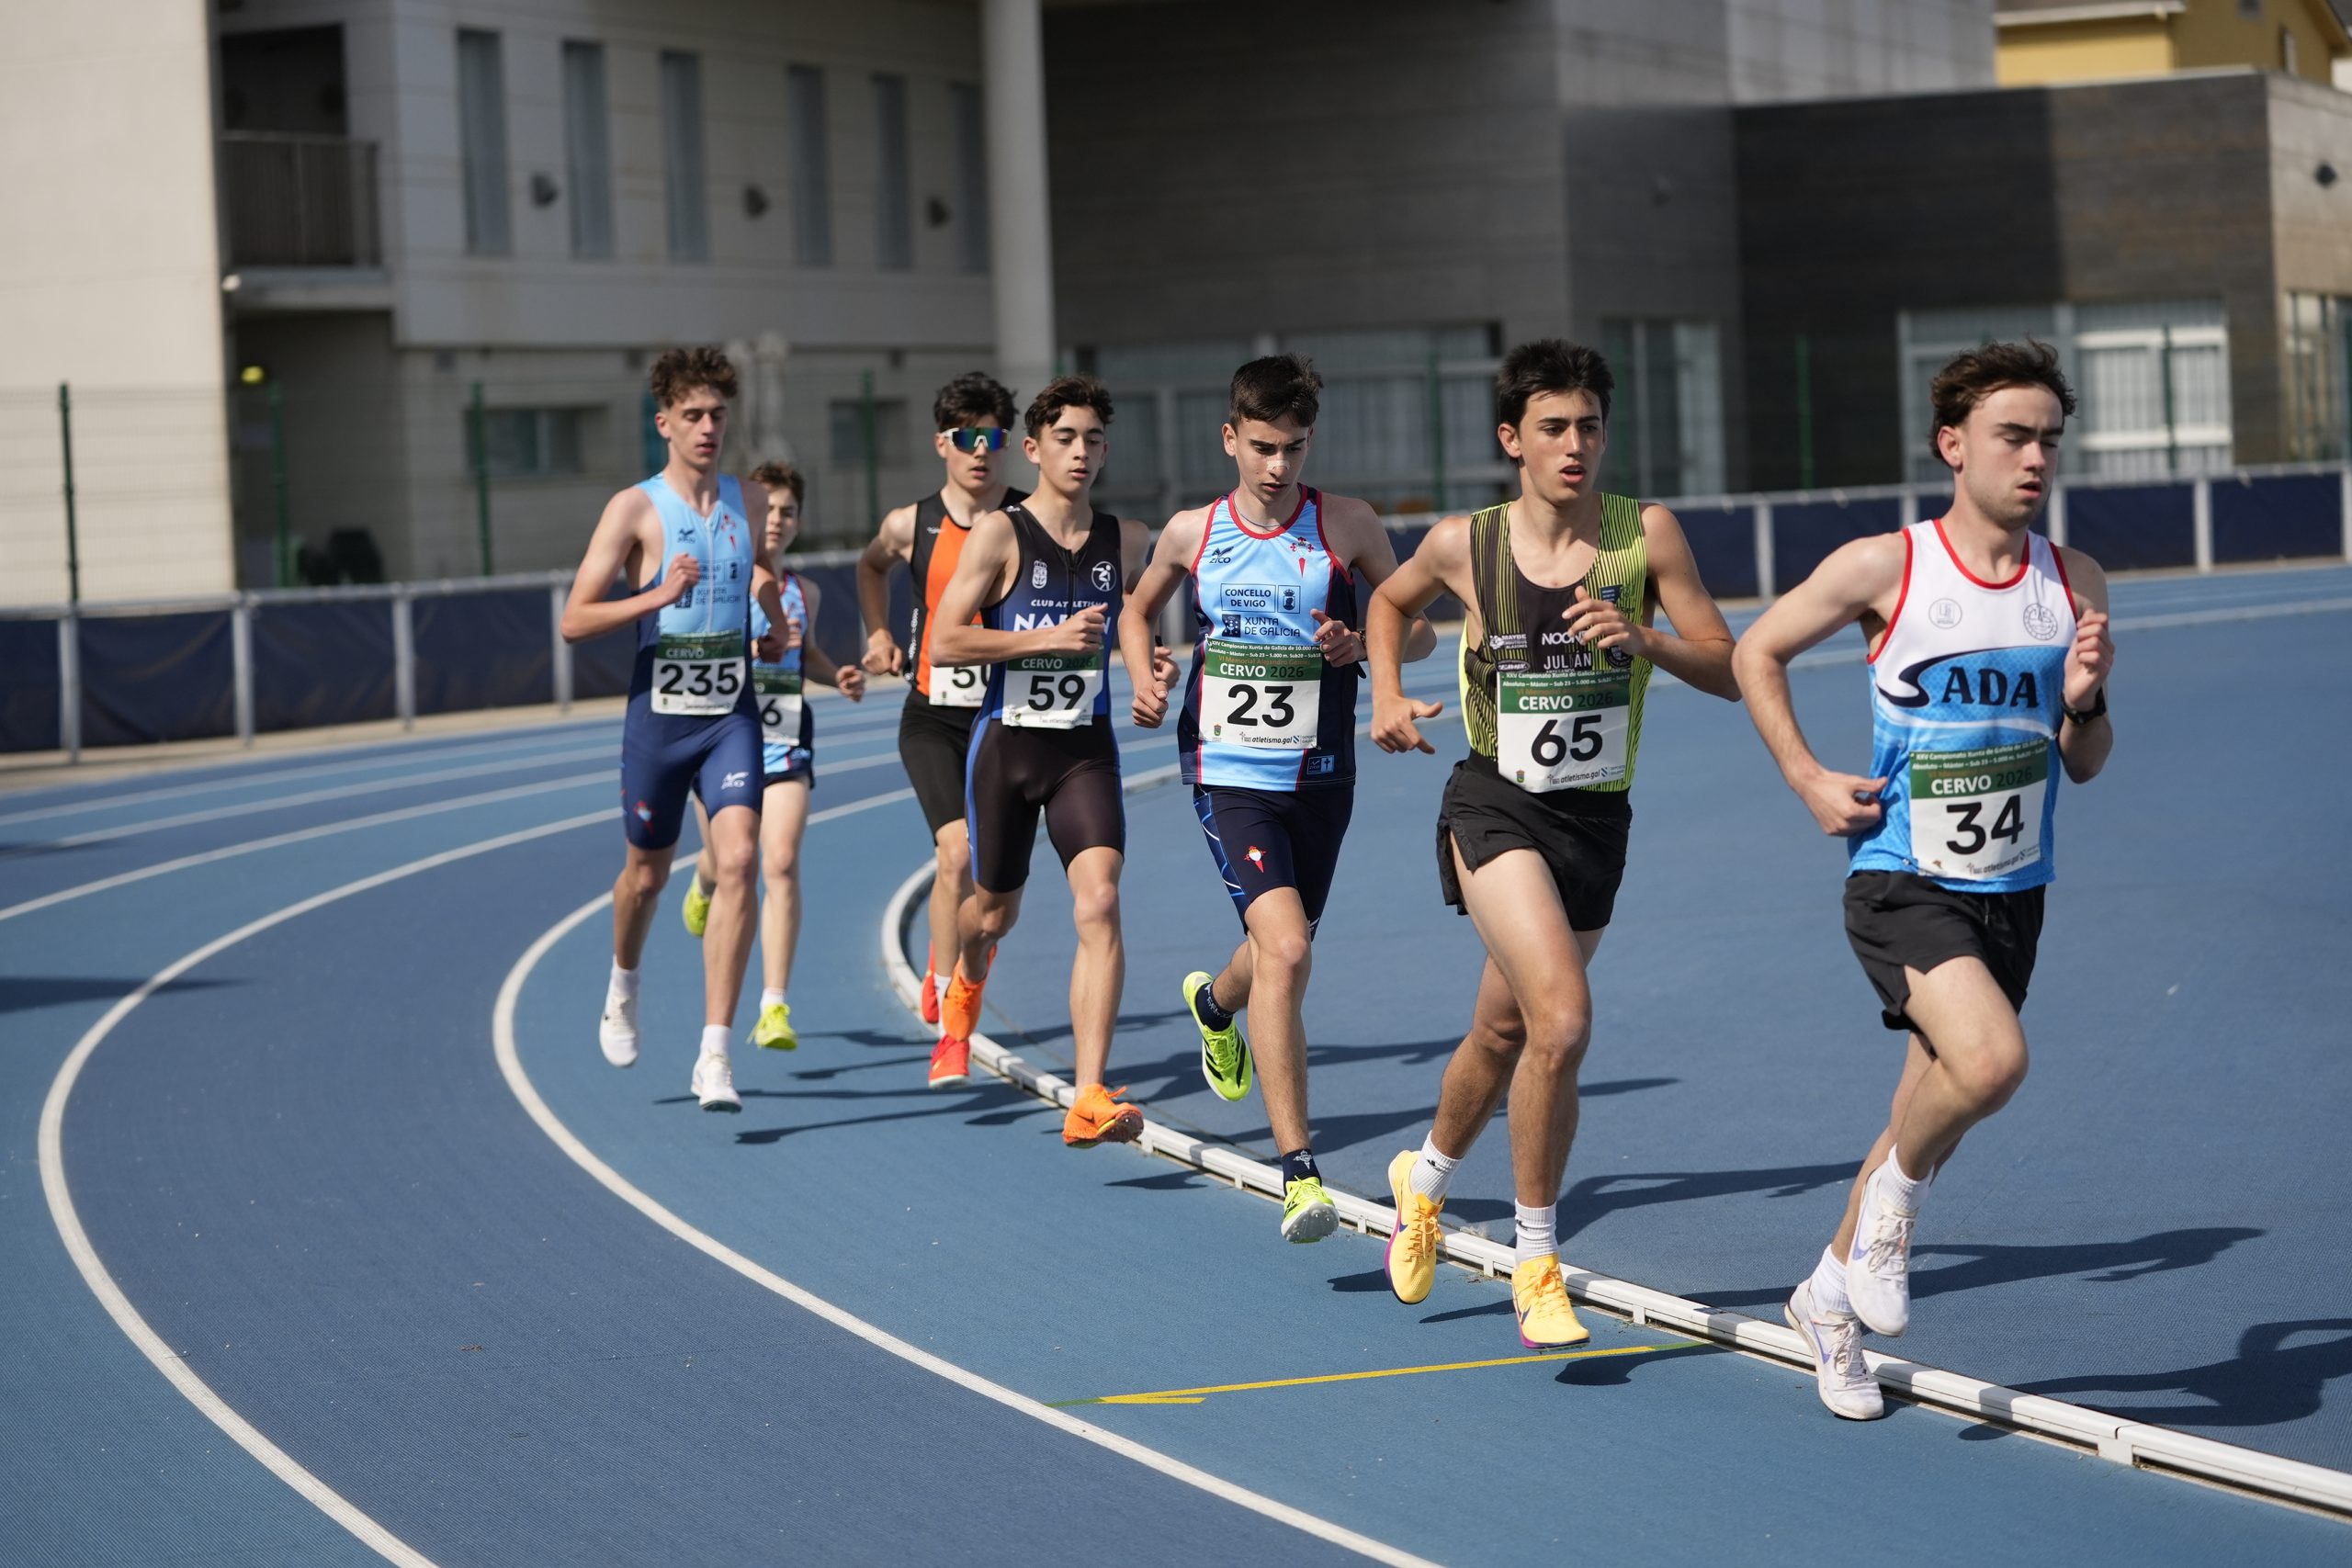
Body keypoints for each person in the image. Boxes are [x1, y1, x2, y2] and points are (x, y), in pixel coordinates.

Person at [1730, 340, 2113, 1420]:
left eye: (2048, 440)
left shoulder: (2074, 582)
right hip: (1902, 877)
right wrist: (1805, 775)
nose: (2034, 458)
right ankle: (1889, 1222)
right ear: (1953, 445)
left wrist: (2084, 699)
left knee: (1920, 1109)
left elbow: (2084, 761)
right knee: (1989, 1065)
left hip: (2014, 887)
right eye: (2011, 436)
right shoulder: (1886, 567)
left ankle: (1824, 1301)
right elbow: (1757, 652)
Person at [1366, 339, 1739, 1348]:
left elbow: (1729, 667)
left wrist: (1646, 639)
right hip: (1494, 804)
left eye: (1590, 427)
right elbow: (1389, 600)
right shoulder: (1465, 543)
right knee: (1562, 1022)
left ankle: (1421, 1183)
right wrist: (1387, 691)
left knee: (1503, 1032)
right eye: (1553, 428)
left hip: (1595, 821)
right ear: (1511, 440)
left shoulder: (1645, 536)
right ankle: (1537, 1263)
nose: (1575, 445)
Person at [1120, 354, 1434, 1242]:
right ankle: (1299, 1172)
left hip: (1322, 773)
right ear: (1230, 438)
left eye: (1293, 447)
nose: (1277, 464)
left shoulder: (1349, 523)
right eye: (1262, 446)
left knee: (1277, 949)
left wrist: (1360, 643)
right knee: (1288, 949)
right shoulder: (1193, 530)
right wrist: (1144, 674)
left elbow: (1416, 628)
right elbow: (1137, 611)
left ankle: (1214, 1006)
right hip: (1228, 770)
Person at [927, 375, 1170, 1138]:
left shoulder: (1126, 538)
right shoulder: (1000, 534)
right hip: (1007, 747)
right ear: (1032, 449)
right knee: (993, 914)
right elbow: (945, 640)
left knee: (1099, 900)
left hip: (1082, 750)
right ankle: (966, 980)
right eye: (1065, 438)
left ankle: (1087, 1094)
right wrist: (1045, 639)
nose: (1080, 451)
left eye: (1093, 438)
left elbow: (1133, 617)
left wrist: (1148, 673)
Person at [560, 346, 789, 1113]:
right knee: (647, 877)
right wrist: (655, 595)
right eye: (692, 415)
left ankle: (714, 1054)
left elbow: (760, 568)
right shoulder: (634, 508)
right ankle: (623, 984)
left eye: (718, 414)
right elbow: (575, 619)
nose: (707, 427)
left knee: (741, 857)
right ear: (664, 423)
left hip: (731, 715)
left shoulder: (748, 498)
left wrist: (773, 621)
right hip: (659, 719)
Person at [678, 462, 867, 1051]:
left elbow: (805, 653)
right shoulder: (721, 582)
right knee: (727, 862)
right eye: (769, 510)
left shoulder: (805, 592)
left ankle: (774, 1007)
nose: (778, 521)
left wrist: (836, 674)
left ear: (798, 522)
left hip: (784, 737)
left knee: (780, 863)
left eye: (788, 512)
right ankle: (704, 880)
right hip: (719, 738)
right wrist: (744, 652)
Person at [857, 374, 1025, 1027]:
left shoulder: (1030, 520)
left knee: (992, 880)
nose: (980, 451)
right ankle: (943, 977)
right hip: (933, 714)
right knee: (955, 851)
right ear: (941, 443)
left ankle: (959, 956)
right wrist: (878, 631)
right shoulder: (909, 523)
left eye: (993, 438)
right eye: (966, 437)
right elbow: (870, 566)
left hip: (1009, 716)